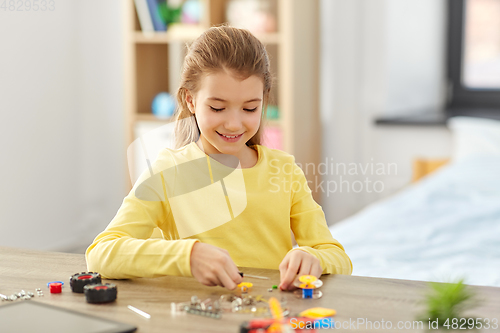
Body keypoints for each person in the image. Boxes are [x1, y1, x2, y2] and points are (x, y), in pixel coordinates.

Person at [86, 25, 352, 291]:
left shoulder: (284, 171)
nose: (234, 124)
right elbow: (100, 254)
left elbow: (339, 258)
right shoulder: (168, 172)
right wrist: (187, 256)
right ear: (190, 100)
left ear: (263, 101)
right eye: (217, 107)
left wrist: (314, 258)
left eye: (250, 108)